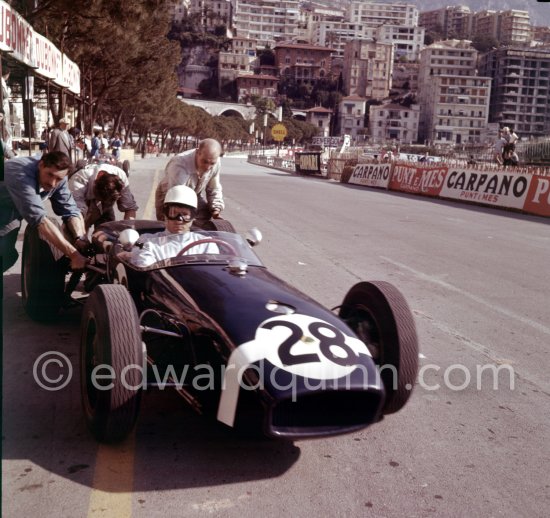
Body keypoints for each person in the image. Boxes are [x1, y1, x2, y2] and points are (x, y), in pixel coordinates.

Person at [0, 151, 88, 273]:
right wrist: (74, 254)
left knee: (7, 256)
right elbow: (39, 219)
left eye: (58, 178)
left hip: (11, 208)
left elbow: (71, 210)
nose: (53, 183)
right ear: (41, 165)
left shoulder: (60, 176)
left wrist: (80, 238)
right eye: (50, 175)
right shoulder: (19, 172)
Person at [120, 185, 218, 268]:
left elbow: (214, 272)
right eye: (173, 213)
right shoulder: (148, 242)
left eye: (185, 214)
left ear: (193, 217)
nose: (179, 219)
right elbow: (146, 268)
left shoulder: (207, 244)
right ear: (165, 215)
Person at [154, 138, 224, 224]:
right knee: (174, 224)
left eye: (212, 163)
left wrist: (216, 209)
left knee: (206, 216)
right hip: (170, 196)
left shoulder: (215, 161)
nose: (208, 167)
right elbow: (178, 199)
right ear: (198, 153)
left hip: (194, 193)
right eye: (204, 161)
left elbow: (214, 188)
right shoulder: (179, 164)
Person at [69, 163, 138, 230]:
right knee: (73, 231)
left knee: (106, 236)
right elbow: (76, 212)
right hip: (83, 201)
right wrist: (81, 236)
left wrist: (128, 231)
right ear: (95, 184)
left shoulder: (121, 176)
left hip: (106, 208)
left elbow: (130, 208)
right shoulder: (79, 178)